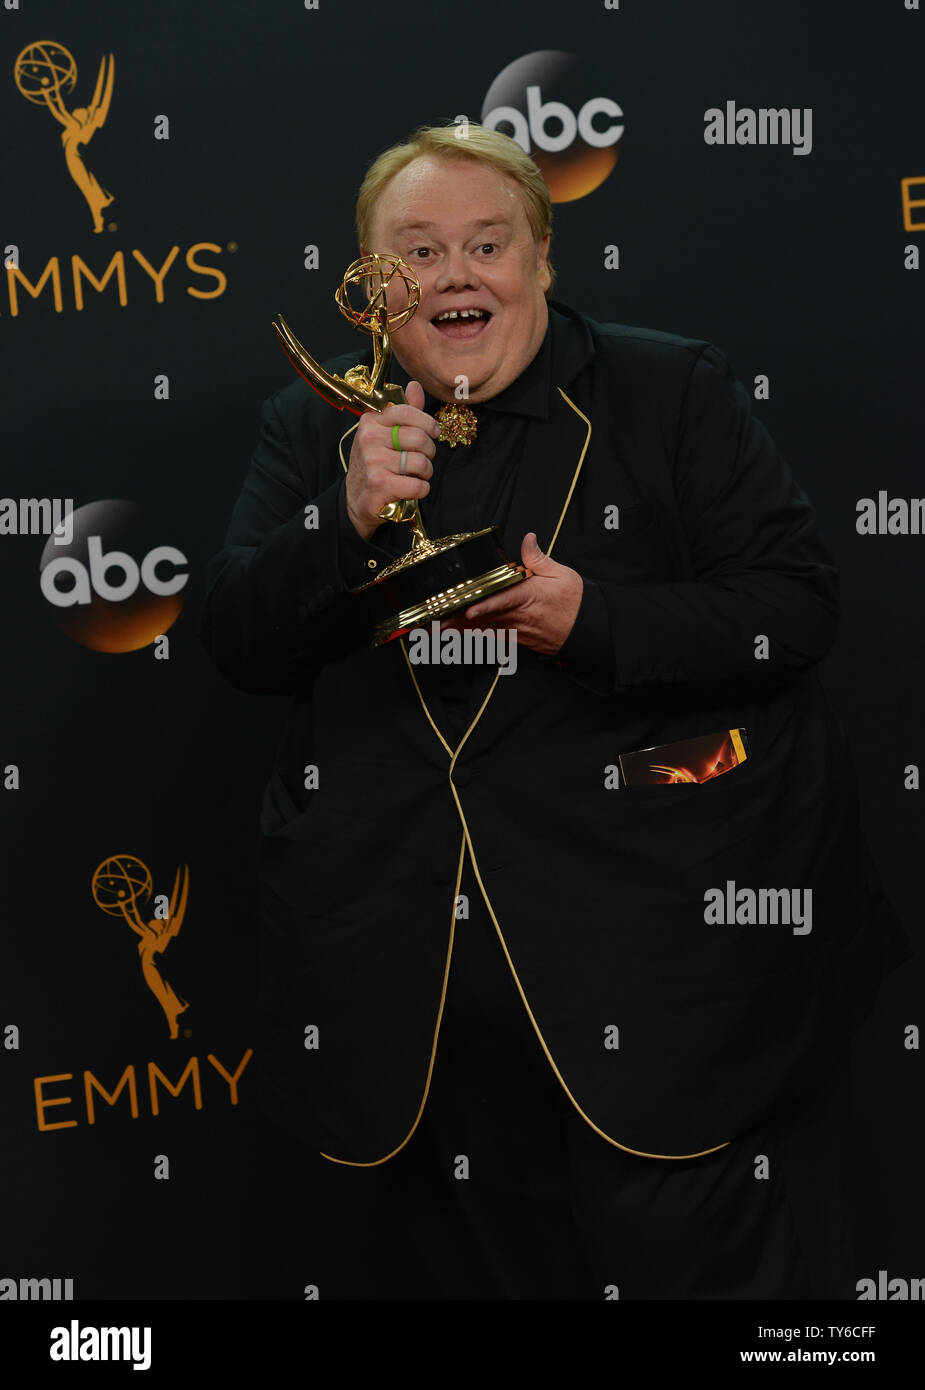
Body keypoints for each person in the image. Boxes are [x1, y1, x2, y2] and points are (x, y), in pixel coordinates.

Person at [201, 123, 910, 1299]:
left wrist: (592, 621)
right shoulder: (319, 427)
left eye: (488, 243)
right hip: (409, 998)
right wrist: (341, 520)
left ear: (542, 258)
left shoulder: (664, 387)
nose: (456, 275)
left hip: (662, 984)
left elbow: (794, 606)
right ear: (373, 290)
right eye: (417, 253)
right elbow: (235, 639)